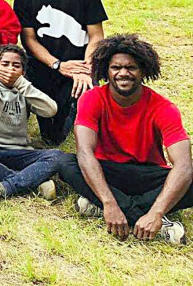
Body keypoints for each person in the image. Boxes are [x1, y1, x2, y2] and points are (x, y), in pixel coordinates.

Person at [58, 34, 192, 245]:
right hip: (107, 172)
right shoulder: (92, 99)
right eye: (116, 67)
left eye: (131, 68)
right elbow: (84, 152)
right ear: (106, 70)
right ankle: (135, 215)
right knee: (65, 163)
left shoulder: (163, 108)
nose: (123, 73)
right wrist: (109, 203)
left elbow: (183, 165)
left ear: (143, 71)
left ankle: (111, 209)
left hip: (147, 174)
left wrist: (156, 212)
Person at [14, 0, 106, 146]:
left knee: (89, 112)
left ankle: (82, 105)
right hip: (45, 67)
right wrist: (57, 65)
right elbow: (29, 40)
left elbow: (96, 36)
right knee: (51, 137)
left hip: (80, 65)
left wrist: (85, 68)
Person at [0, 45, 65, 204]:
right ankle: (33, 181)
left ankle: (5, 187)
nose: (10, 69)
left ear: (23, 72)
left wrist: (21, 83)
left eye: (16, 66)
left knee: (58, 156)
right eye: (5, 64)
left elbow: (50, 110)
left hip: (22, 153)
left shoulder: (24, 89)